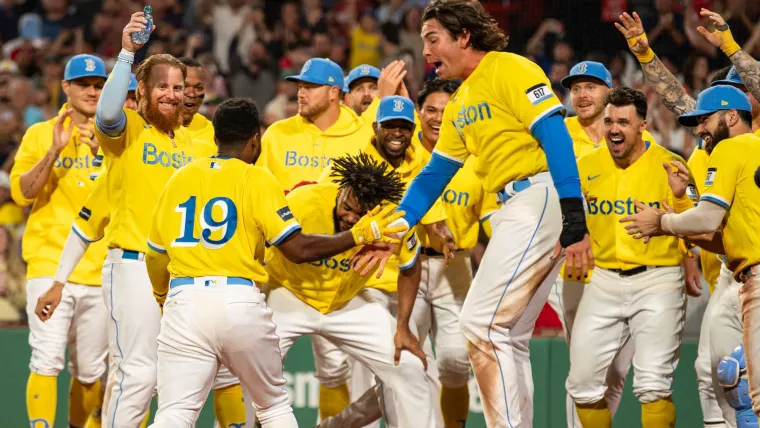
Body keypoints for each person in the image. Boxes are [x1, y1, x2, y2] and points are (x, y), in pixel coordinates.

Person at [355, 1, 592, 426]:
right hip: (512, 208)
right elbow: (432, 176)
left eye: (433, 39)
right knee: (508, 336)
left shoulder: (511, 68)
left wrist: (573, 208)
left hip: (538, 196)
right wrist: (398, 225)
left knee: (480, 325)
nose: (425, 51)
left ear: (463, 36)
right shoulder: (461, 100)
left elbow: (554, 133)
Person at [144, 98, 405, 428]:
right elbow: (296, 249)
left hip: (184, 300)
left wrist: (162, 297)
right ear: (256, 139)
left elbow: (154, 254)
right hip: (238, 298)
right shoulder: (257, 178)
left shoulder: (179, 179)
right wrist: (356, 236)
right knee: (273, 407)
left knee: (175, 413)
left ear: (215, 138)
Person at [616, 10, 760, 425]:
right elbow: (678, 100)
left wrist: (732, 48)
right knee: (713, 374)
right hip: (729, 269)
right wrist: (644, 56)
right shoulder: (706, 145)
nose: (699, 123)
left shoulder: (748, 141)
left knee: (744, 379)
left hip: (750, 266)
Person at [90, 11, 219, 426]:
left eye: (178, 88)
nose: (171, 94)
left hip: (181, 273)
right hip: (133, 267)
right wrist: (127, 54)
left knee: (178, 380)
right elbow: (106, 114)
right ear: (141, 91)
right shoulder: (129, 129)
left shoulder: (195, 146)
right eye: (161, 86)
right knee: (138, 374)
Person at [264, 151, 432, 428]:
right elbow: (297, 249)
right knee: (247, 368)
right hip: (289, 294)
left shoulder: (390, 218)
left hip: (345, 303)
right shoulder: (304, 200)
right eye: (347, 207)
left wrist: (403, 326)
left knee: (410, 367)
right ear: (341, 191)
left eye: (361, 214)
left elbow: (411, 267)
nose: (352, 217)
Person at [565, 87, 696, 427]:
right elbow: (569, 215)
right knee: (581, 385)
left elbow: (697, 226)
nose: (614, 129)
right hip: (604, 280)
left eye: (623, 121)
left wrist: (680, 201)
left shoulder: (670, 164)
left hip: (658, 279)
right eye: (609, 121)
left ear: (643, 125)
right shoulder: (585, 166)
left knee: (652, 384)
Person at [11, 53, 109, 428]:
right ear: (65, 87)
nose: (92, 91)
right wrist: (55, 149)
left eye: (99, 85)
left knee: (89, 370)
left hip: (99, 269)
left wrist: (103, 152)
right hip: (50, 265)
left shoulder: (116, 137)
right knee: (47, 359)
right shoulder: (39, 134)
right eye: (83, 84)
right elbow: (22, 194)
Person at [256, 58, 373, 191]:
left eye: (309, 87)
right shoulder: (277, 134)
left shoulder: (364, 139)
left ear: (333, 92)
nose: (300, 94)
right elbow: (258, 190)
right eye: (300, 87)